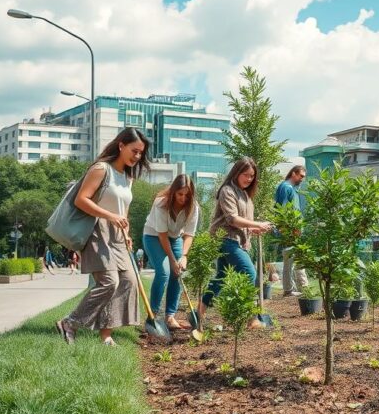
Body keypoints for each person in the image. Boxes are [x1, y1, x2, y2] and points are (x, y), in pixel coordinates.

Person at [56, 128, 151, 347]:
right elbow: (82, 200)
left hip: (118, 235)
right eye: (134, 151)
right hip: (97, 231)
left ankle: (106, 335)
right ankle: (70, 323)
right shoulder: (101, 169)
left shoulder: (128, 178)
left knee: (128, 282)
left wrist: (126, 233)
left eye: (140, 154)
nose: (137, 157)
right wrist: (111, 216)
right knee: (109, 282)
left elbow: (123, 209)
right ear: (121, 146)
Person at [197, 157, 273, 325]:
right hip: (225, 239)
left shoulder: (245, 194)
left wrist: (253, 228)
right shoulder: (227, 191)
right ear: (236, 173)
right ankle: (251, 317)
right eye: (245, 174)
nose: (249, 179)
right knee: (249, 272)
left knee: (221, 277)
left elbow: (242, 222)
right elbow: (232, 219)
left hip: (237, 240)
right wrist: (257, 223)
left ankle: (200, 311)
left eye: (252, 176)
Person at [142, 174, 200, 330]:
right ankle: (153, 315)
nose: (183, 198)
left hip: (175, 238)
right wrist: (173, 260)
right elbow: (162, 235)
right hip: (153, 236)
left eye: (187, 195)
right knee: (164, 272)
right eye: (180, 194)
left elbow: (189, 234)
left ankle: (170, 316)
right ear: (174, 191)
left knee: (179, 272)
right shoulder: (161, 203)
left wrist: (183, 256)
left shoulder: (193, 207)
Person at [274, 165, 308, 296]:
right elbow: (281, 209)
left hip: (296, 229)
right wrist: (286, 228)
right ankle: (288, 290)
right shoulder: (285, 187)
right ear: (293, 173)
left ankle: (303, 288)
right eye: (301, 176)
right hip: (290, 230)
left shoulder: (293, 189)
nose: (302, 179)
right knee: (289, 258)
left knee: (298, 258)